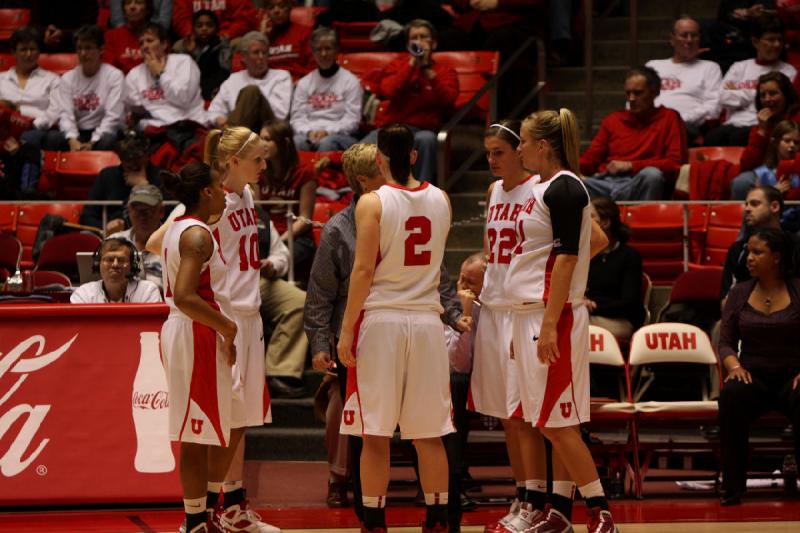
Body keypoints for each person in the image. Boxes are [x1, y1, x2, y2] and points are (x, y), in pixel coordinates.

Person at [305, 142, 466, 519]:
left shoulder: (405, 203)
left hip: (378, 328)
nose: (391, 174)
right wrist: (322, 342)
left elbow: (437, 274)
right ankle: (370, 509)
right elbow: (320, 293)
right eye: (382, 169)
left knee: (399, 433)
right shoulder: (341, 227)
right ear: (364, 180)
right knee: (381, 435)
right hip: (371, 333)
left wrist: (454, 313)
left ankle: (431, 515)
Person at [337, 125, 454, 533]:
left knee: (375, 432)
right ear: (414, 156)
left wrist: (347, 329)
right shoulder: (442, 199)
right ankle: (437, 520)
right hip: (426, 321)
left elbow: (364, 269)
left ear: (379, 159)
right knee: (429, 433)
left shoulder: (371, 203)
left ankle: (375, 522)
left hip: (383, 321)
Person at [508, 108, 619, 533]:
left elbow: (569, 256)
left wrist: (552, 319)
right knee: (546, 421)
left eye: (522, 141)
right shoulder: (545, 187)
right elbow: (596, 239)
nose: (518, 149)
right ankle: (558, 513)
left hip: (552, 315)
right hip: (530, 312)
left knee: (559, 422)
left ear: (543, 145)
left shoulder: (566, 189)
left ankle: (601, 513)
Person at [474, 120, 572, 533]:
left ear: (521, 151)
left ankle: (546, 500)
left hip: (527, 311)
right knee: (508, 415)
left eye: (499, 151)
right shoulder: (493, 191)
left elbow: (592, 239)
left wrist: (569, 286)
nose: (492, 160)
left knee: (534, 414)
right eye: (488, 152)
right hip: (494, 308)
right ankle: (523, 496)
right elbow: (489, 250)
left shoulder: (543, 189)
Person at [159, 162, 238, 533]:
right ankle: (193, 523)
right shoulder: (196, 235)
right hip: (194, 331)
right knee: (193, 434)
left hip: (191, 331)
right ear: (206, 192)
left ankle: (201, 516)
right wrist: (227, 326)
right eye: (219, 186)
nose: (224, 191)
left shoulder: (179, 228)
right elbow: (185, 296)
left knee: (212, 428)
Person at [717, 227, 800, 506]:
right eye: (748, 252)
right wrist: (733, 366)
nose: (749, 258)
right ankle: (732, 488)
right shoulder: (739, 293)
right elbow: (726, 342)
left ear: (776, 257)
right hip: (754, 375)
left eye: (757, 252)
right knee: (732, 394)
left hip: (793, 375)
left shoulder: (798, 289)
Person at [359, 19, 459, 183]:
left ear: (433, 44)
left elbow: (448, 100)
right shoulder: (399, 65)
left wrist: (427, 70)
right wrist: (412, 65)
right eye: (415, 37)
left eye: (423, 37)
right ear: (408, 44)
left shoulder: (444, 71)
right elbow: (388, 91)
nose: (419, 41)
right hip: (392, 128)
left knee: (426, 140)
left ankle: (421, 195)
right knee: (360, 151)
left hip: (422, 130)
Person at [579, 65, 687, 201]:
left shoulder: (669, 118)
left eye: (638, 93)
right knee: (572, 183)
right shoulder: (613, 120)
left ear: (655, 92)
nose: (631, 98)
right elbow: (591, 157)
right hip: (605, 182)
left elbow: (675, 163)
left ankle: (644, 219)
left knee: (652, 175)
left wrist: (631, 165)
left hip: (640, 181)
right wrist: (567, 169)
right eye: (628, 93)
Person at [705, 14, 797, 147]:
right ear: (755, 42)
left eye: (780, 40)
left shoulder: (788, 71)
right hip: (733, 123)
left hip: (763, 125)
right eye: (771, 40)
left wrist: (738, 92)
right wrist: (756, 95)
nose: (777, 45)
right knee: (711, 139)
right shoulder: (739, 67)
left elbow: (781, 105)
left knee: (738, 138)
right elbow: (723, 98)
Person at [257, 210, 309, 399]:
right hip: (220, 282)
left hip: (257, 279)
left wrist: (271, 265)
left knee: (300, 301)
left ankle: (280, 372)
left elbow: (282, 255)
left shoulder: (259, 216)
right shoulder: (203, 206)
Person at [645, 16, 722, 142]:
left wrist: (678, 119)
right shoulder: (653, 65)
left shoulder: (710, 67)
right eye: (684, 35)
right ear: (672, 39)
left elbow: (714, 106)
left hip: (686, 126)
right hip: (650, 122)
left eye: (694, 35)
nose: (689, 40)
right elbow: (636, 97)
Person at [258, 121, 317, 276]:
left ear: (284, 143)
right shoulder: (259, 171)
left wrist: (278, 240)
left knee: (278, 262)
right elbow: (257, 213)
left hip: (296, 237)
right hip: (267, 235)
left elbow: (304, 219)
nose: (262, 144)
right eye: (260, 138)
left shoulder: (305, 173)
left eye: (267, 139)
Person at [290, 27, 362, 152]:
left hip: (341, 136)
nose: (323, 54)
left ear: (336, 51)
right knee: (296, 142)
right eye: (318, 49)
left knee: (326, 143)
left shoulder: (351, 81)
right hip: (308, 134)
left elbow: (352, 120)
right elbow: (297, 118)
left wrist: (328, 132)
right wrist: (309, 132)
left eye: (328, 48)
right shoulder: (304, 83)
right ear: (313, 53)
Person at [53, 25, 124, 152]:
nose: (83, 53)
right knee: (51, 138)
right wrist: (72, 139)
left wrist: (93, 142)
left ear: (101, 50)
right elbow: (65, 114)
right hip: (78, 131)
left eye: (88, 48)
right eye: (79, 48)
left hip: (103, 132)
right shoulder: (67, 78)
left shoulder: (115, 76)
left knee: (109, 141)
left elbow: (113, 116)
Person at [124, 22, 208, 130]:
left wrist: (160, 74)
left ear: (164, 44)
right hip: (156, 128)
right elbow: (136, 109)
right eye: (141, 43)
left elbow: (183, 99)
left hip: (189, 125)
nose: (145, 46)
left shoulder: (184, 62)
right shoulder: (134, 74)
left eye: (149, 41)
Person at [731, 72, 800, 199]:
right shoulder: (761, 126)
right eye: (763, 95)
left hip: (796, 171)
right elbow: (747, 166)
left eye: (773, 93)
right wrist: (762, 131)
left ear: (786, 95)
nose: (767, 99)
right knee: (742, 182)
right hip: (768, 172)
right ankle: (748, 218)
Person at [585, 196, 645, 343]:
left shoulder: (630, 256)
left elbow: (629, 303)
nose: (583, 222)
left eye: (590, 217)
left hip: (618, 320)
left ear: (605, 223)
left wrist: (594, 305)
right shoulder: (584, 254)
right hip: (587, 314)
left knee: (572, 328)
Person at [720, 185, 797, 300]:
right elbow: (726, 300)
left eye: (754, 204)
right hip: (744, 314)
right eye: (746, 204)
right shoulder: (738, 249)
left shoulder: (796, 245)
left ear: (775, 207)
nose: (747, 209)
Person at [79, 130, 161, 233]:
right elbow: (87, 216)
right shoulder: (107, 176)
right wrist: (106, 226)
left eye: (137, 158)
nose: (133, 164)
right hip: (113, 235)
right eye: (127, 159)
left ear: (147, 154)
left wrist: (144, 186)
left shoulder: (161, 177)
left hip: (151, 233)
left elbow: (170, 215)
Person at [208, 31, 292, 128]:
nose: (261, 57)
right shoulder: (234, 79)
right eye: (256, 53)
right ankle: (233, 136)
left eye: (264, 53)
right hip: (241, 130)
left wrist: (251, 105)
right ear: (243, 57)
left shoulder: (281, 76)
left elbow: (280, 114)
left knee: (251, 91)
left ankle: (231, 138)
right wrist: (220, 119)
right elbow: (214, 111)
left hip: (269, 128)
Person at [0, 27, 61, 150]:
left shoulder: (52, 79)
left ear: (39, 52)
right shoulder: (1, 79)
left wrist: (31, 124)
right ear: (13, 52)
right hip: (4, 130)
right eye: (23, 49)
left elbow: (56, 111)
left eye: (32, 49)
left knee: (32, 138)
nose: (28, 54)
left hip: (37, 130)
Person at [70, 237, 162, 303]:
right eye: (109, 260)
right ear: (98, 264)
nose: (115, 264)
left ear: (132, 266)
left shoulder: (147, 291)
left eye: (121, 260)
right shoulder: (83, 294)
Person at [109, 184, 165, 289]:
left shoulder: (174, 243)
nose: (142, 218)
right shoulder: (114, 241)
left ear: (161, 211)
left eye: (148, 212)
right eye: (137, 212)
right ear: (129, 211)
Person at [173, 10, 232, 101]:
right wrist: (189, 53)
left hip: (215, 86)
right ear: (193, 29)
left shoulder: (222, 45)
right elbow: (182, 74)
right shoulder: (188, 46)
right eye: (199, 26)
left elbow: (225, 70)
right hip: (192, 88)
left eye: (209, 25)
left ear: (217, 29)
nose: (204, 29)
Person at [260, 0, 314, 79]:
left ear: (289, 8)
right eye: (271, 7)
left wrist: (303, 84)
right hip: (269, 86)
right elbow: (253, 67)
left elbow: (313, 65)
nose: (276, 11)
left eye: (281, 6)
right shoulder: (264, 37)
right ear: (266, 12)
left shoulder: (305, 33)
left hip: (298, 84)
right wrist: (261, 37)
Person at [30, 0, 98, 53]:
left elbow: (88, 28)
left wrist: (63, 34)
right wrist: (46, 31)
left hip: (77, 46)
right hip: (45, 44)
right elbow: (33, 24)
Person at [103, 0, 152, 74]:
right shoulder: (111, 36)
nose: (132, 7)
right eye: (128, 3)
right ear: (123, 10)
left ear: (147, 9)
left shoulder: (157, 37)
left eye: (138, 2)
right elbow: (110, 71)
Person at [172, 0, 258, 41]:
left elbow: (244, 18)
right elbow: (180, 19)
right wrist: (191, 34)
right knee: (179, 46)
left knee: (239, 44)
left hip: (228, 38)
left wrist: (226, 35)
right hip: (195, 36)